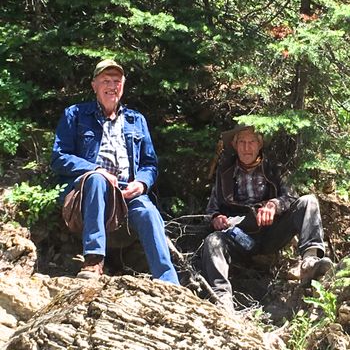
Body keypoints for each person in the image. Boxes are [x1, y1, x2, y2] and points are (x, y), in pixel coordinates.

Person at [51, 59, 179, 285]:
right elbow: (59, 157)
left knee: (148, 212)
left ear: (123, 85)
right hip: (87, 192)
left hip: (126, 193)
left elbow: (150, 163)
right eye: (106, 81)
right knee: (98, 180)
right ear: (94, 85)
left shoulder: (136, 120)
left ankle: (169, 281)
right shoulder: (76, 114)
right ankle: (93, 260)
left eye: (117, 81)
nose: (112, 86)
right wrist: (96, 169)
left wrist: (141, 183)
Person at [201, 124, 333, 312]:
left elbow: (291, 197)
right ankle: (221, 297)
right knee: (212, 241)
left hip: (272, 232)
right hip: (239, 235)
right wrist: (216, 218)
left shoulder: (274, 169)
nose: (247, 147)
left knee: (309, 201)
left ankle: (311, 261)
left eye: (252, 142)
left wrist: (273, 205)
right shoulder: (224, 173)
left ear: (260, 144)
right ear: (235, 145)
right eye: (242, 142)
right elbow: (210, 210)